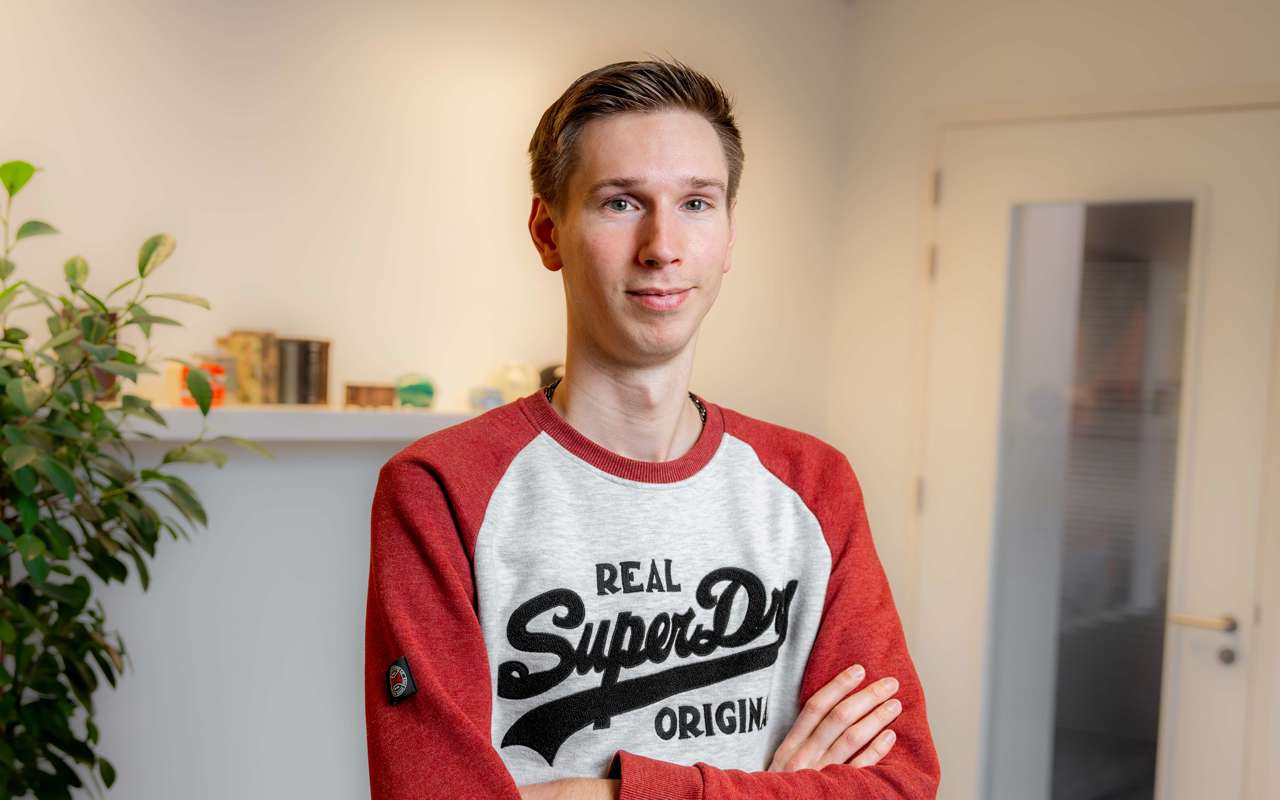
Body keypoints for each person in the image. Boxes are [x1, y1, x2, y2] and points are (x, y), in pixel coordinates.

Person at [364, 58, 941, 800]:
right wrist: (771, 791)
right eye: (620, 203)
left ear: (729, 236)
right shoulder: (443, 489)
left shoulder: (812, 485)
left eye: (697, 203)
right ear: (547, 231)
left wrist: (589, 792)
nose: (662, 245)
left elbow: (899, 782)